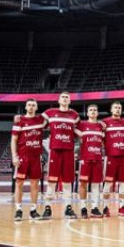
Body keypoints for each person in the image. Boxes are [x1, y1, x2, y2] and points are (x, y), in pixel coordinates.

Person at [42, 91, 80, 219]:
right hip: (55, 151)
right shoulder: (50, 113)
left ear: (70, 101)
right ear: (58, 100)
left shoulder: (75, 115)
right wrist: (21, 118)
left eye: (67, 97)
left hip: (69, 151)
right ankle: (47, 208)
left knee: (68, 181)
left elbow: (80, 129)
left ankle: (68, 208)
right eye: (62, 97)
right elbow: (38, 122)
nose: (64, 99)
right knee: (52, 180)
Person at [11, 98, 48, 221]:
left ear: (36, 108)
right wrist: (14, 156)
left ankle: (33, 210)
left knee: (35, 184)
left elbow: (53, 117)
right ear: (26, 107)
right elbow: (13, 140)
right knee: (19, 183)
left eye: (33, 105)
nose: (31, 107)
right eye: (29, 105)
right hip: (23, 157)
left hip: (36, 157)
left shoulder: (41, 120)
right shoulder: (19, 121)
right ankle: (18, 210)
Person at [75, 104, 105, 219]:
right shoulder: (82, 125)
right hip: (85, 159)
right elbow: (70, 125)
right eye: (90, 110)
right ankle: (83, 208)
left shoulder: (101, 126)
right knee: (83, 184)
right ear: (87, 113)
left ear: (97, 113)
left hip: (97, 159)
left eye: (95, 110)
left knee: (96, 184)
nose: (93, 112)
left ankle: (94, 208)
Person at [102, 101, 124, 217]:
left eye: (119, 108)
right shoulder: (105, 122)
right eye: (115, 108)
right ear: (111, 109)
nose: (117, 109)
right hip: (110, 157)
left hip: (122, 157)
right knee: (108, 183)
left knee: (123, 183)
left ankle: (121, 207)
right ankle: (105, 207)